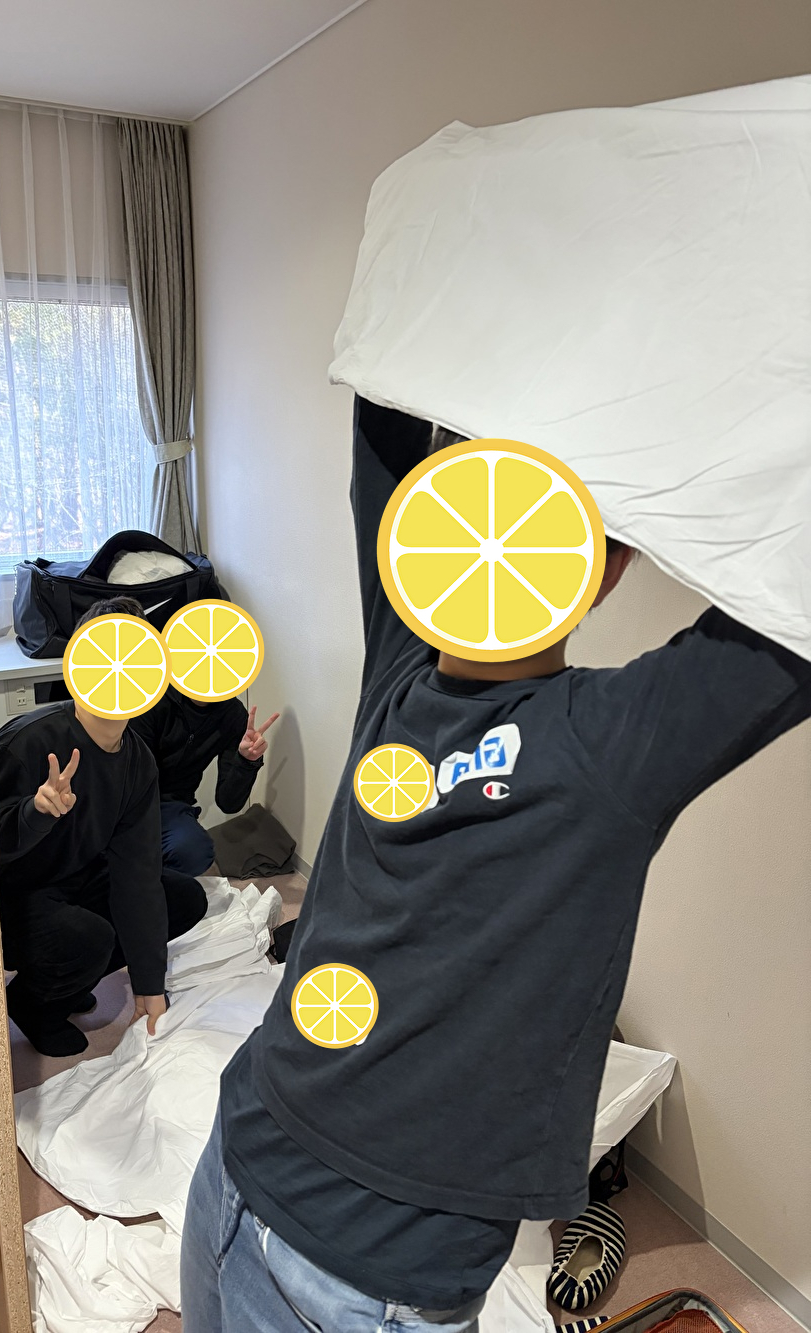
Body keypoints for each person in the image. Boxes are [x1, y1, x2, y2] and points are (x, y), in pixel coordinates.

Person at [179, 398, 811, 1332]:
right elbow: (789, 612)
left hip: (322, 1232)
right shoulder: (585, 732)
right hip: (249, 1170)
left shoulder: (496, 704)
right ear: (608, 569)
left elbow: (385, 404)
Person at [0, 595, 208, 1058]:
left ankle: (65, 983)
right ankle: (30, 1002)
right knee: (87, 939)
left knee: (183, 898)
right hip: (9, 894)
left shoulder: (137, 761)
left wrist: (150, 986)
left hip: (77, 876)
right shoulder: (26, 741)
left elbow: (137, 874)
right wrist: (34, 812)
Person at [129, 687, 280, 877]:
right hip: (126, 799)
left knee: (194, 852)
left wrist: (246, 761)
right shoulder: (153, 697)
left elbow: (229, 803)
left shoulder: (232, 713)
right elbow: (130, 773)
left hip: (170, 806)